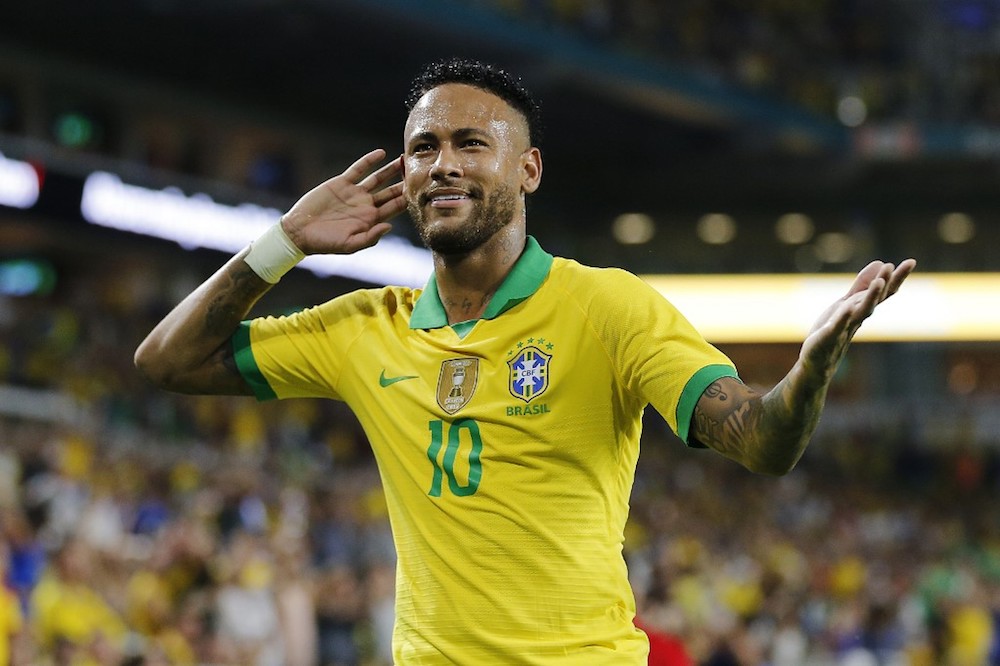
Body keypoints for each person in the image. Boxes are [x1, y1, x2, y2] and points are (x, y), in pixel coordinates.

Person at [134, 57, 915, 664]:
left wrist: (808, 373)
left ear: (528, 169)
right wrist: (284, 244)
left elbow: (761, 439)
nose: (441, 163)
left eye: (471, 143)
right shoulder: (365, 327)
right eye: (423, 148)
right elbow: (167, 361)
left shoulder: (607, 307)